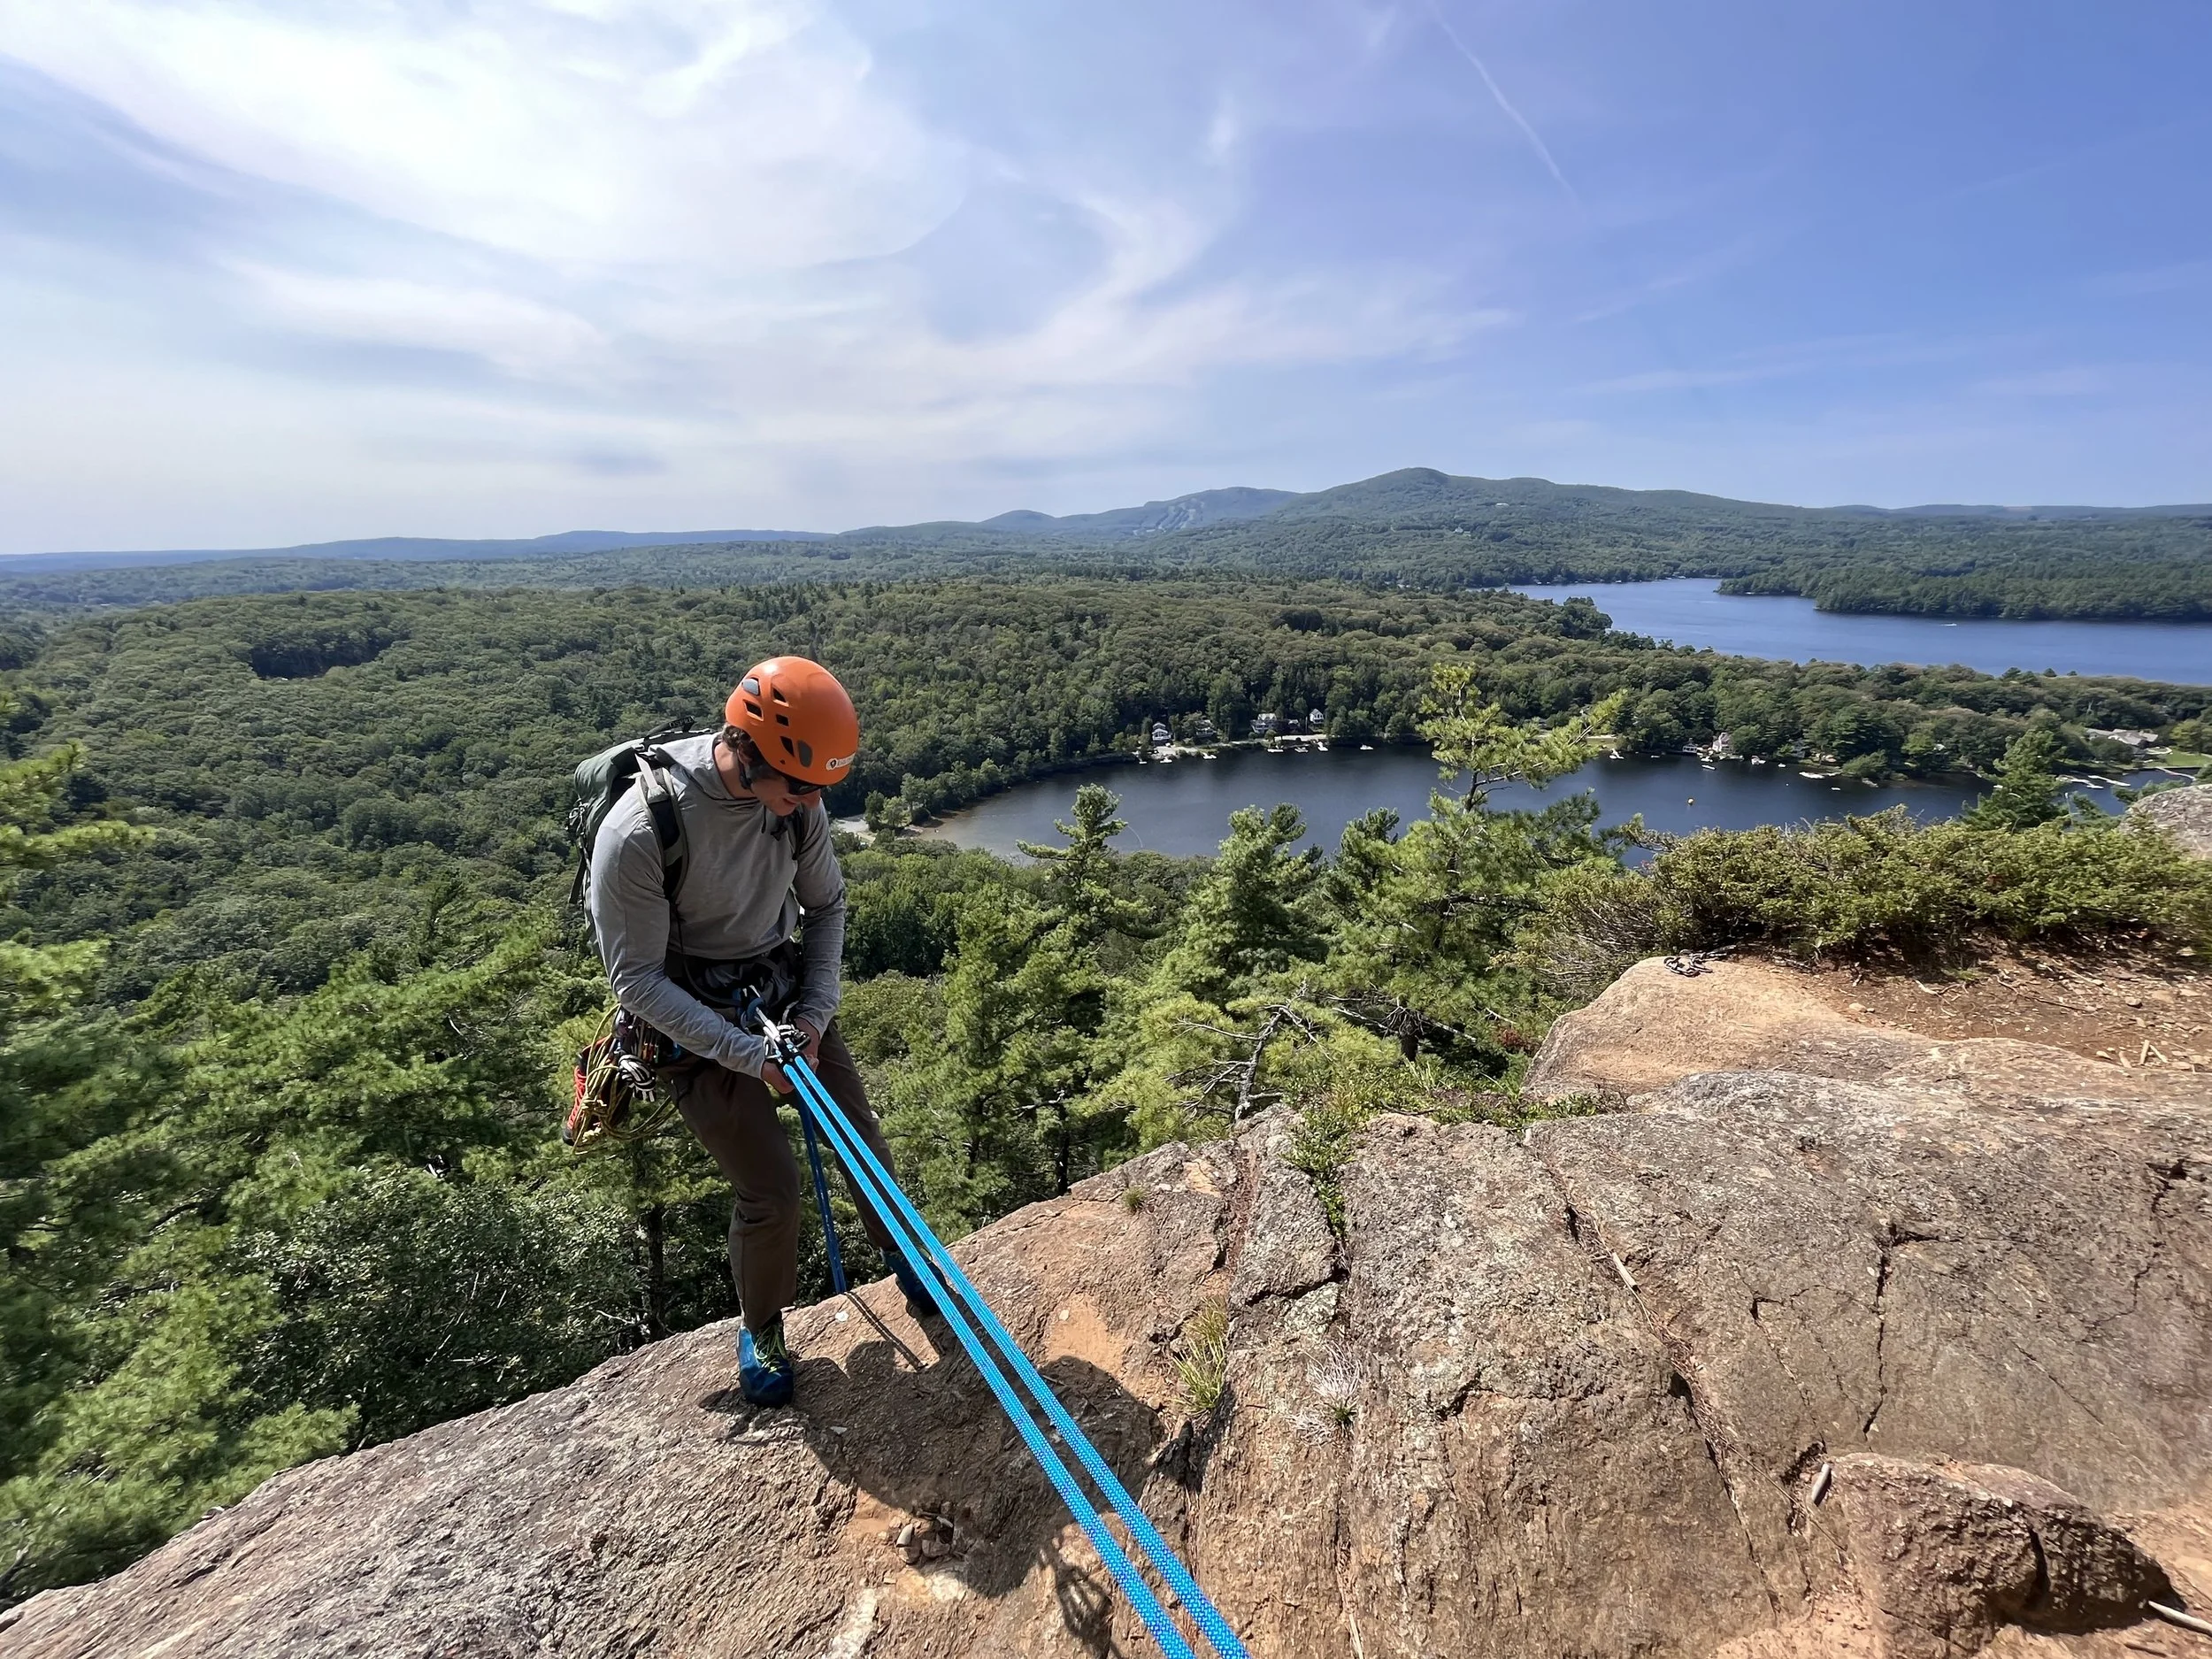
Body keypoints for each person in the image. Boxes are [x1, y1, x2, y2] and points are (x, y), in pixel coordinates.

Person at [585, 655, 938, 1407]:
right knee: (771, 1192)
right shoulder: (641, 830)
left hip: (779, 991)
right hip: (689, 1015)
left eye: (818, 789)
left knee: (860, 1138)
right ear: (747, 751)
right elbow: (636, 981)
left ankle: (908, 1256)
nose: (811, 804)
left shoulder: (798, 805)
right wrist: (747, 1054)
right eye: (799, 786)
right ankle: (764, 1326)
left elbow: (828, 907)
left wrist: (814, 1015)